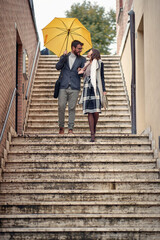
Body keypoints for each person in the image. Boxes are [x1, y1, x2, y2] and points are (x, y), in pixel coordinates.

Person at [56, 40, 86, 134]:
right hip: (63, 86)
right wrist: (63, 58)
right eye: (79, 48)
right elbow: (57, 67)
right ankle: (61, 127)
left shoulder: (82, 59)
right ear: (73, 48)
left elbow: (82, 74)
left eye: (81, 48)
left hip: (74, 86)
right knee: (61, 106)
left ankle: (70, 128)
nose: (80, 50)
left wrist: (81, 71)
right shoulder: (65, 56)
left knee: (72, 108)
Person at [78, 49, 106, 142]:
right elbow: (83, 76)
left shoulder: (99, 63)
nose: (88, 52)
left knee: (96, 111)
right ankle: (92, 134)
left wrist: (104, 90)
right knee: (89, 111)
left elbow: (101, 77)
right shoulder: (85, 64)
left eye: (89, 51)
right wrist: (81, 71)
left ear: (93, 53)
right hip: (87, 87)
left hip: (96, 87)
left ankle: (93, 128)